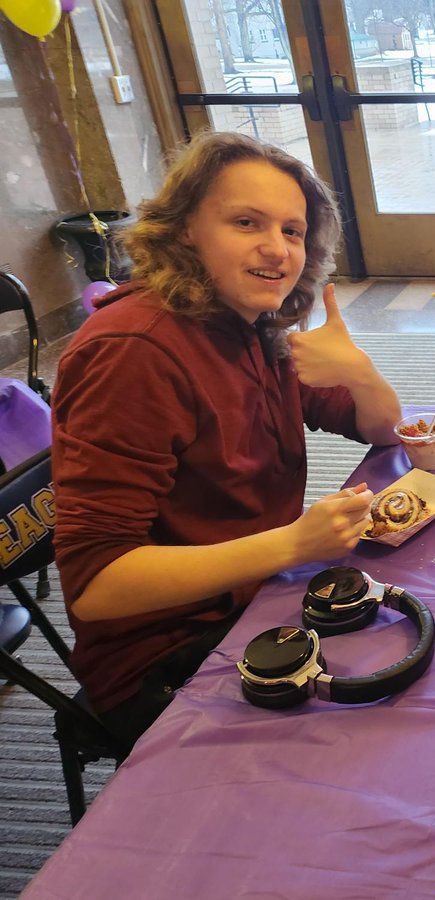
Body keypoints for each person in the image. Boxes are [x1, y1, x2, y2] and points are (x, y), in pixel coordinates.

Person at [52, 132, 402, 745]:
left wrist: (360, 372)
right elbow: (96, 587)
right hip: (166, 656)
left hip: (259, 598)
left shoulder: (248, 322)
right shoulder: (134, 353)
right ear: (185, 229)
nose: (277, 249)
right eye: (246, 222)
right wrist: (292, 546)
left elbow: (379, 427)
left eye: (293, 231)